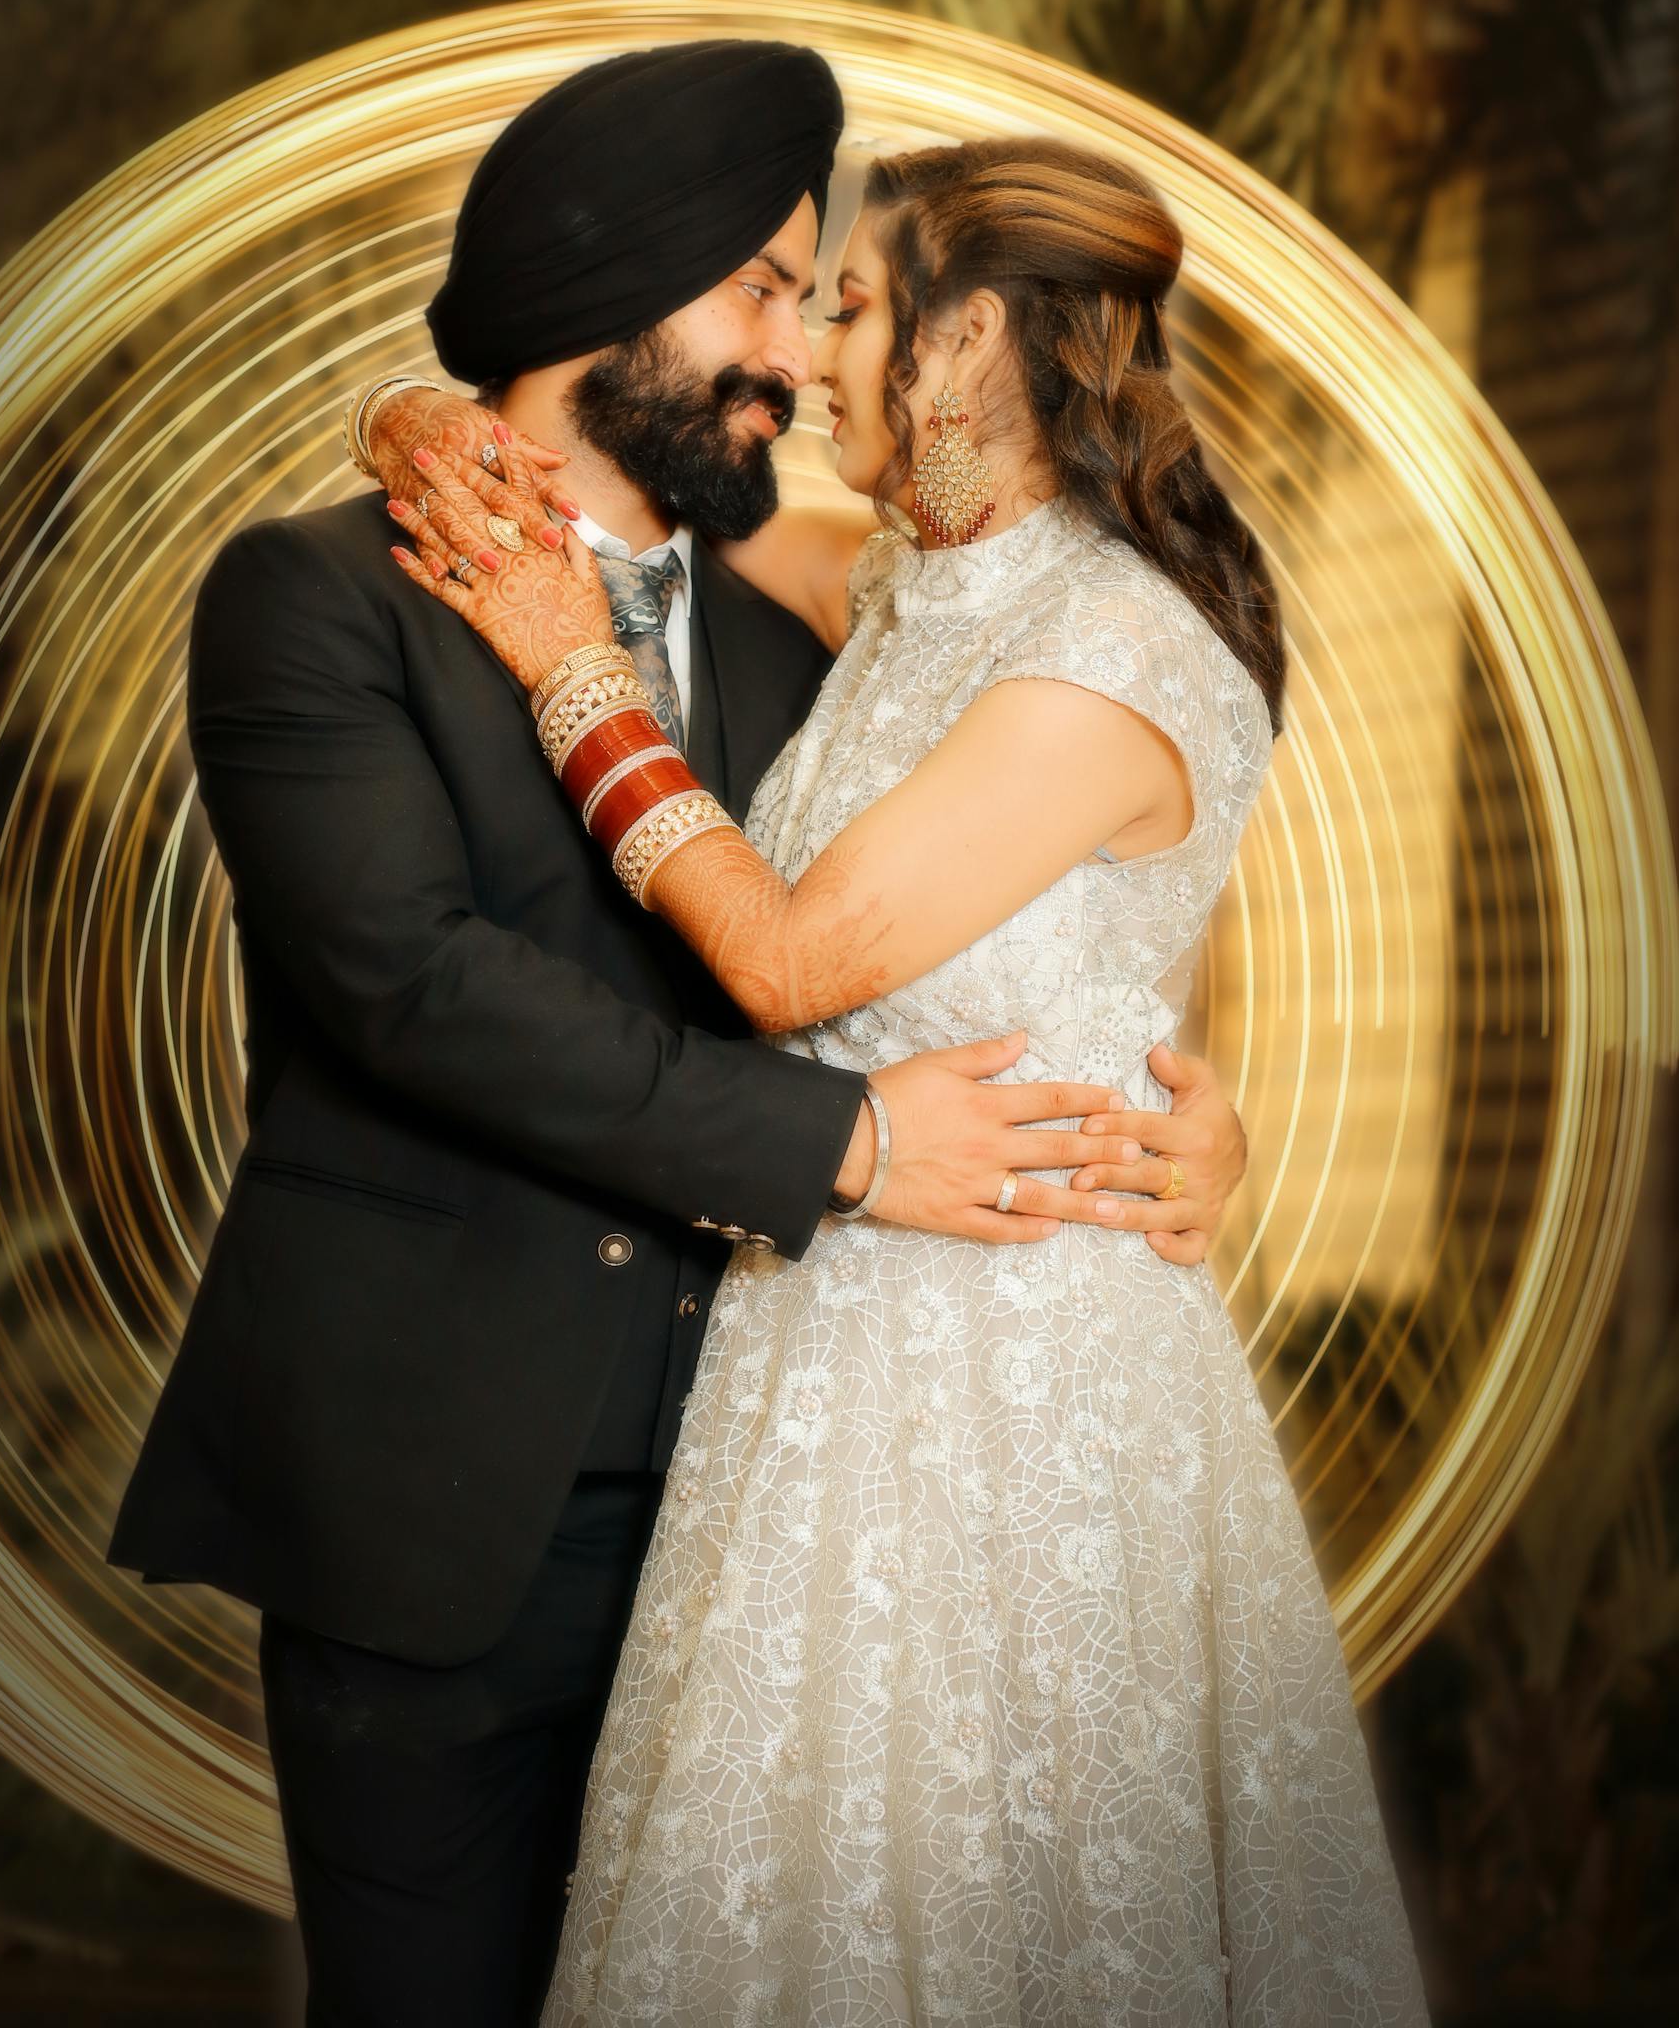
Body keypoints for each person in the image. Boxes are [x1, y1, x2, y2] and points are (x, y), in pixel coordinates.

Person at [105, 42, 1250, 2028]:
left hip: (773, 1509)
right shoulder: (309, 600)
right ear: (600, 296)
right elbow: (417, 991)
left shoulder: (828, 622)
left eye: (828, 299)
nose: (797, 360)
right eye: (757, 293)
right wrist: (847, 1149)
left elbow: (1001, 902)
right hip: (437, 1508)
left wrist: (1163, 1088)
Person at [383, 130, 1432, 2025]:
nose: (806, 363)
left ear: (970, 348)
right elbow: (622, 505)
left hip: (1015, 1393)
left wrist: (564, 670)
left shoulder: (1112, 643)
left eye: (849, 310)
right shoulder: (903, 587)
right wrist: (418, 419)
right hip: (820, 1350)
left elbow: (792, 963)